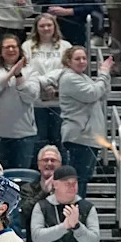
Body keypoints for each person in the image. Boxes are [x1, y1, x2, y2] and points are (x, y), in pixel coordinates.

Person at [58, 47, 113, 197]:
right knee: (77, 180)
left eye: (84, 58)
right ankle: (74, 214)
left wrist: (104, 76)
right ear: (68, 61)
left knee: (83, 178)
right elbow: (93, 93)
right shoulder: (69, 78)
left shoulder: (84, 78)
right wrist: (103, 74)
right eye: (77, 59)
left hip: (88, 137)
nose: (82, 61)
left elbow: (103, 93)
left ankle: (78, 213)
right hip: (79, 137)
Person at [0, 35, 39, 169]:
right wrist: (10, 74)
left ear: (19, 49)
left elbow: (31, 96)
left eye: (14, 46)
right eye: (7, 47)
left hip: (24, 134)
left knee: (21, 176)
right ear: (0, 51)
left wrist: (19, 76)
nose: (11, 50)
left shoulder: (30, 69)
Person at [22, 14, 71, 156]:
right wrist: (43, 85)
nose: (46, 28)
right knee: (39, 141)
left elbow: (67, 69)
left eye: (49, 25)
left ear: (55, 27)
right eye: (42, 26)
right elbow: (27, 69)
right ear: (36, 28)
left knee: (60, 140)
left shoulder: (65, 46)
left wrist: (51, 85)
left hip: (59, 101)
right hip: (36, 102)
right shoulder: (27, 46)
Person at [20, 145, 62, 233]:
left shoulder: (67, 188)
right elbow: (25, 213)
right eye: (45, 160)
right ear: (39, 165)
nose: (49, 163)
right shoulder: (27, 188)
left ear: (60, 165)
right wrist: (44, 192)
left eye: (53, 160)